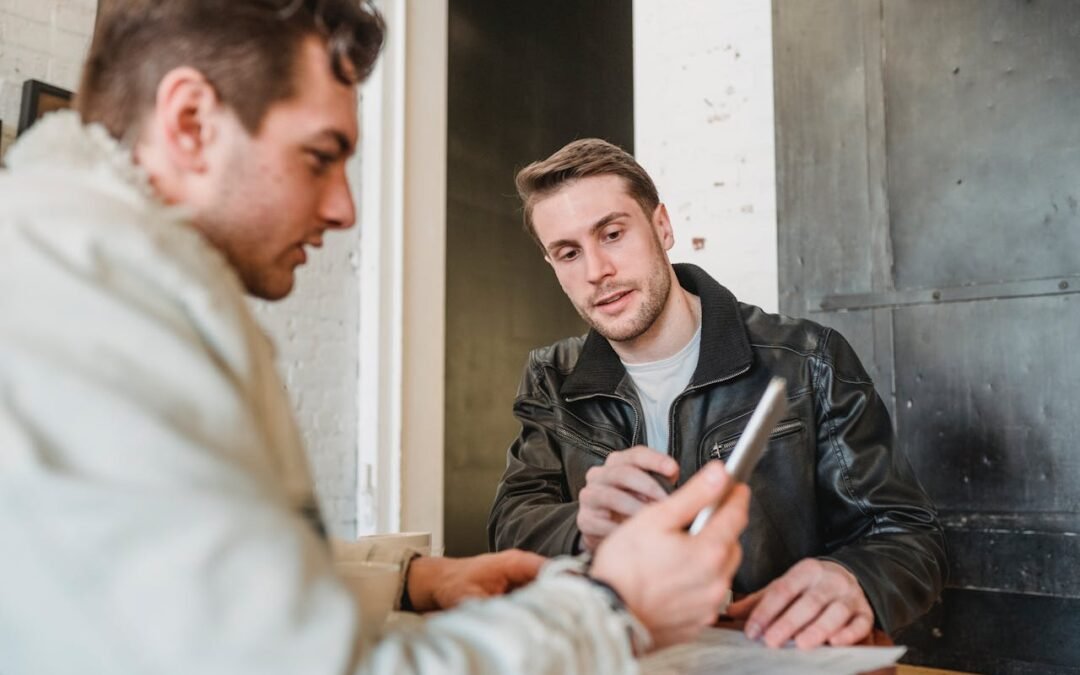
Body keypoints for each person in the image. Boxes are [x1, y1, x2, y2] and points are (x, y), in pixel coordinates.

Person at [0, 2, 751, 673]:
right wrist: (610, 613)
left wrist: (407, 578)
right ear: (191, 122)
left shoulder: (84, 265)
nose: (345, 208)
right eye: (320, 157)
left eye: (613, 234)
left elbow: (187, 584)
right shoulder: (99, 313)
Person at [488, 138, 948, 649]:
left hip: (767, 652)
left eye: (613, 234)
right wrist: (583, 527)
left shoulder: (809, 358)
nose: (596, 271)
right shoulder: (552, 376)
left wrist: (854, 579)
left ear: (662, 226)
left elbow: (907, 535)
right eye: (568, 253)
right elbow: (511, 525)